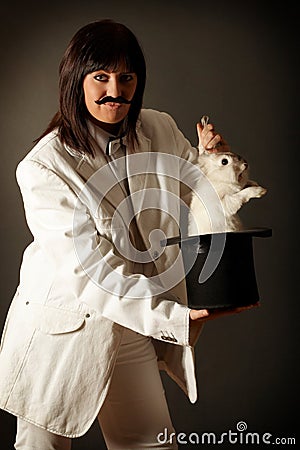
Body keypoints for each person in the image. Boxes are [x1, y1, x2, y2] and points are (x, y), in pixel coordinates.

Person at [0, 19, 257, 450]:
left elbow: (200, 196)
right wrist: (174, 317)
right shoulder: (43, 167)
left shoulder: (158, 128)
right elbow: (89, 273)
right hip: (61, 331)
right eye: (100, 77)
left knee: (151, 444)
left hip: (131, 325)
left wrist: (216, 161)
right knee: (40, 448)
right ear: (74, 81)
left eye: (126, 77)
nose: (115, 90)